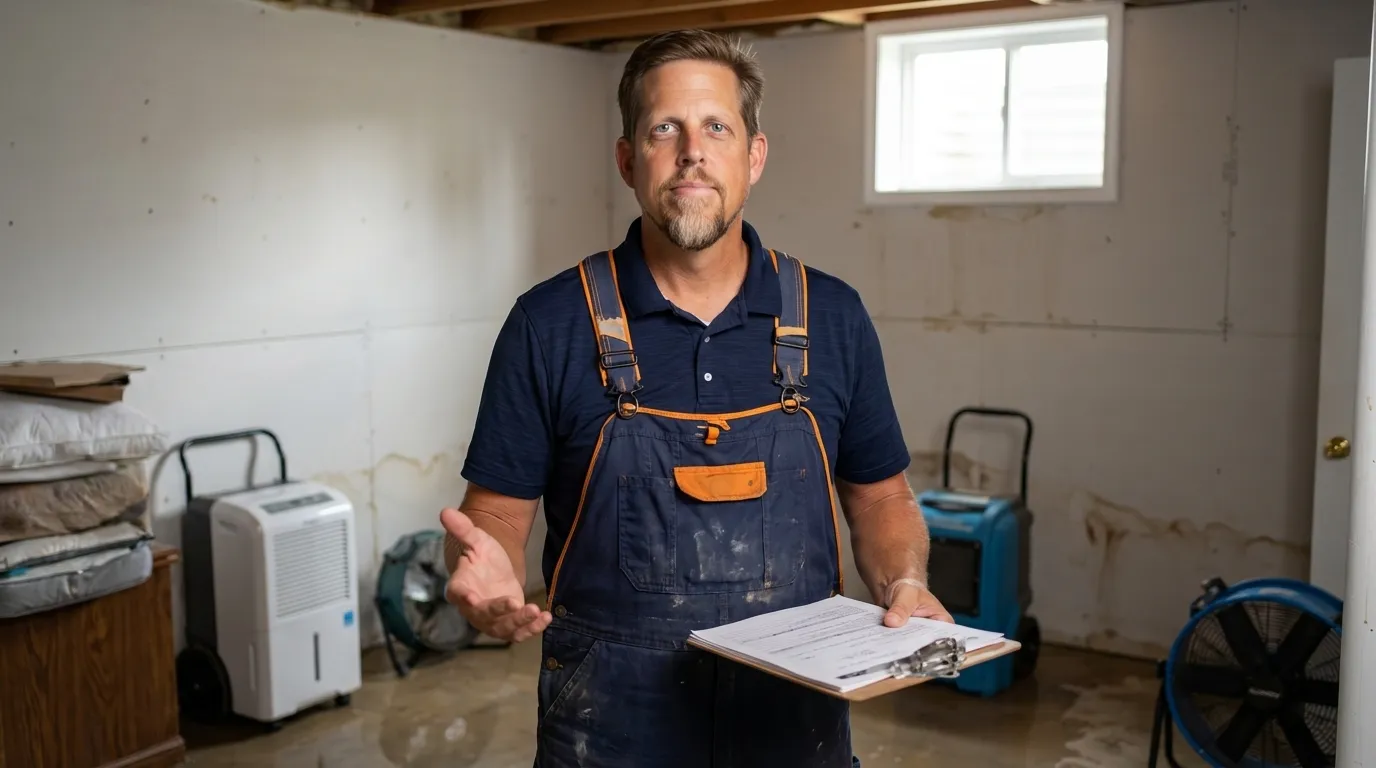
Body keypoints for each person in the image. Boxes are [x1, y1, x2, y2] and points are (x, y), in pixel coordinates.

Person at [439, 28, 951, 768]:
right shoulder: (549, 323)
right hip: (610, 730)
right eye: (663, 129)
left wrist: (905, 578)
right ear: (627, 160)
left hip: (791, 722)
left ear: (755, 156)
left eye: (717, 127)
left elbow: (881, 498)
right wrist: (485, 569)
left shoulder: (832, 316)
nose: (691, 152)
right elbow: (495, 513)